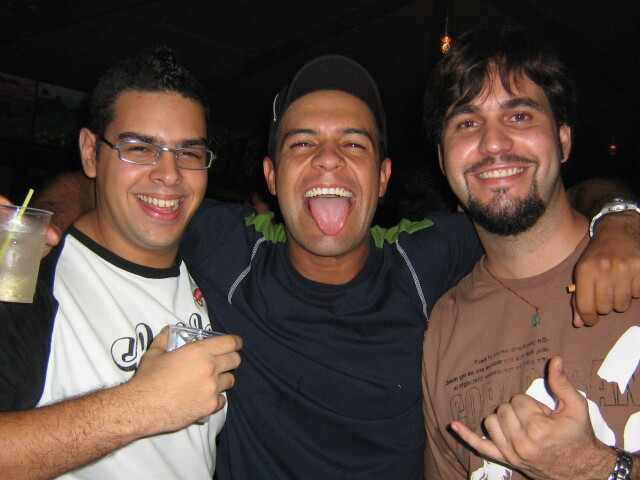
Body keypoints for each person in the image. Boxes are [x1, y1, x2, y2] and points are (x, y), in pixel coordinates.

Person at [35, 54, 640, 479]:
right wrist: (41, 227)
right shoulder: (228, 251)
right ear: (271, 178)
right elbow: (119, 187)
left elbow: (534, 198)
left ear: (383, 177)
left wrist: (618, 218)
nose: (328, 160)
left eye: (353, 144)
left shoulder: (424, 262)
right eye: (302, 143)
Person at [0, 46, 242, 479]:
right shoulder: (25, 274)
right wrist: (141, 405)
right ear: (90, 152)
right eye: (140, 148)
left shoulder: (218, 269)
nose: (169, 174)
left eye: (189, 153)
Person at [421, 27, 640, 479]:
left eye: (519, 116)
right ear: (442, 160)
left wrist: (599, 468)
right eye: (467, 123)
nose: (494, 143)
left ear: (563, 139)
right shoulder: (442, 327)